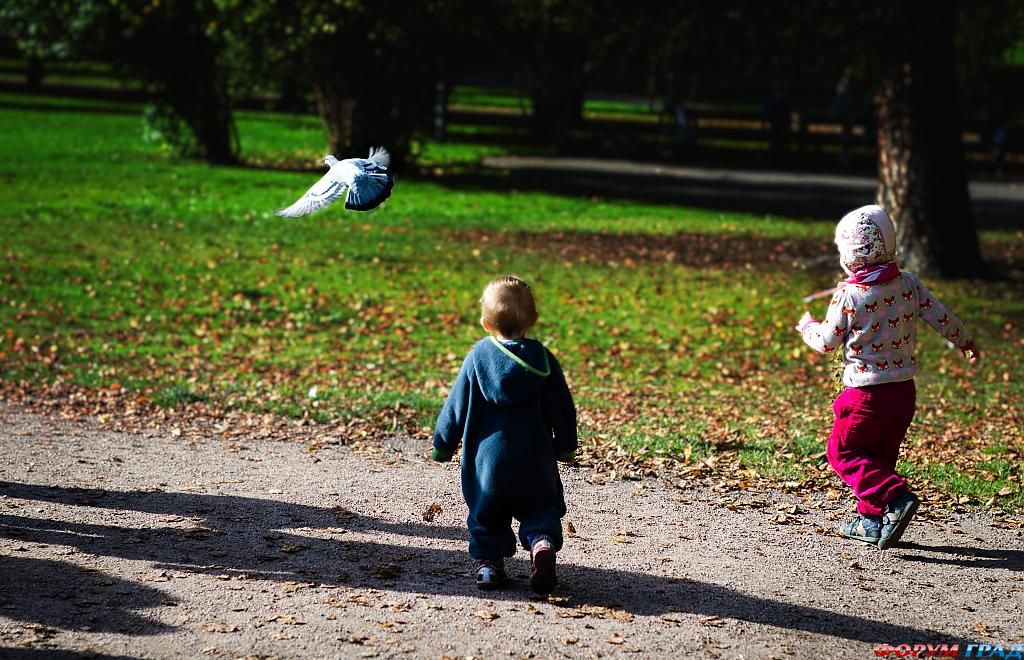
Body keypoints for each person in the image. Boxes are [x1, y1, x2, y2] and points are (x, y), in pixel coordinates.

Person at [795, 205, 980, 550]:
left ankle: (895, 498)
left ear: (851, 253)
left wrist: (807, 327)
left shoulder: (849, 296)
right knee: (879, 457)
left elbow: (826, 342)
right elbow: (941, 316)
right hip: (902, 393)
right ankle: (871, 520)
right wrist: (964, 340)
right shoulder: (908, 284)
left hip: (865, 396)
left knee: (844, 452)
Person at [432, 275, 577, 592]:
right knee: (540, 507)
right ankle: (541, 543)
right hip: (535, 459)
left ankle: (488, 566)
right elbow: (562, 408)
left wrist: (442, 444)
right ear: (534, 320)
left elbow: (455, 407)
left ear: (485, 322)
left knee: (487, 513)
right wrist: (565, 446)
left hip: (488, 464)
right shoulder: (543, 361)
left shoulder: (477, 359)